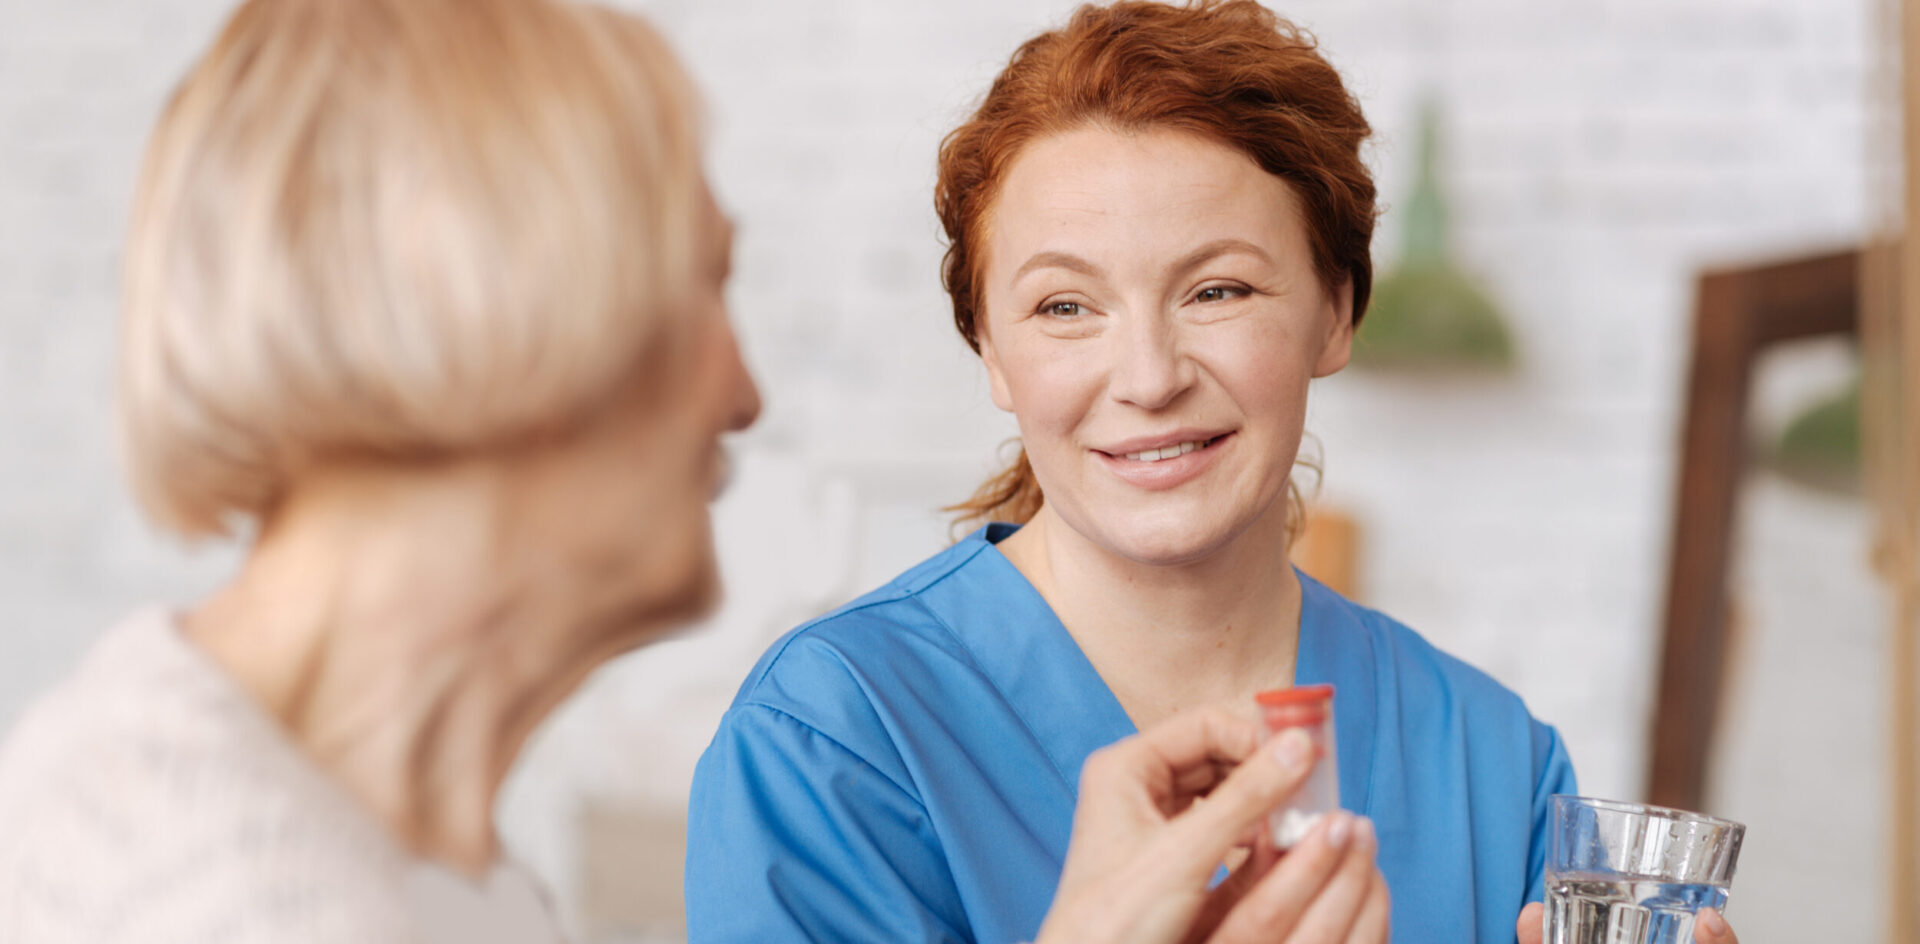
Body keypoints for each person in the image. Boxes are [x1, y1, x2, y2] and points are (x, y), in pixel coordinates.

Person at [0, 1, 1385, 942]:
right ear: (491, 325)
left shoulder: (437, 874)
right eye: (699, 286)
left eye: (1218, 291)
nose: (745, 391)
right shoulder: (205, 887)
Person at [685, 3, 1742, 944]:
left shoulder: (1490, 761)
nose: (1149, 377)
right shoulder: (834, 741)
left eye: (1218, 291)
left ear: (1336, 311)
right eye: (1065, 306)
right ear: (992, 353)